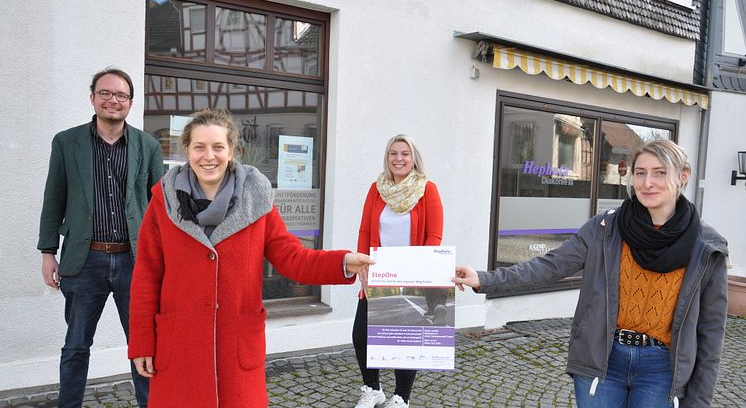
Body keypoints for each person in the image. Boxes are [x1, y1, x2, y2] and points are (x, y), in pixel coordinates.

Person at [453, 139, 728, 407]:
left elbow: (711, 332)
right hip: (604, 359)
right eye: (640, 173)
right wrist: (485, 279)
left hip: (662, 369)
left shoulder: (707, 247)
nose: (647, 183)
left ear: (683, 176)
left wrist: (700, 400)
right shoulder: (605, 228)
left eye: (660, 173)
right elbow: (549, 266)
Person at [127, 108, 374, 407]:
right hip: (180, 349)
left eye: (218, 147)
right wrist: (141, 342)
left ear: (232, 150)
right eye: (199, 147)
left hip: (237, 351)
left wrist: (344, 262)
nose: (209, 156)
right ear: (187, 150)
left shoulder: (257, 201)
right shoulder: (162, 202)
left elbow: (291, 257)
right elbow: (146, 277)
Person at [38, 67, 162, 408]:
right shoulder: (67, 142)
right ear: (92, 98)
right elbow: (54, 198)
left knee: (144, 345)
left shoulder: (148, 145)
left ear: (130, 103)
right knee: (76, 345)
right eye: (105, 93)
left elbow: (158, 207)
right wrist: (49, 251)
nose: (113, 100)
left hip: (134, 261)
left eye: (121, 95)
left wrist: (165, 260)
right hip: (84, 258)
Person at [353, 134, 444, 408]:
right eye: (393, 153)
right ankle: (373, 388)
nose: (399, 159)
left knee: (405, 337)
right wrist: (361, 264)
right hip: (380, 271)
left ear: (413, 158)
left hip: (412, 271)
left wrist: (418, 271)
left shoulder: (427, 189)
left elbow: (434, 236)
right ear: (387, 157)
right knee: (362, 334)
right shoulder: (376, 189)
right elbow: (365, 230)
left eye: (404, 153)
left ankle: (401, 397)